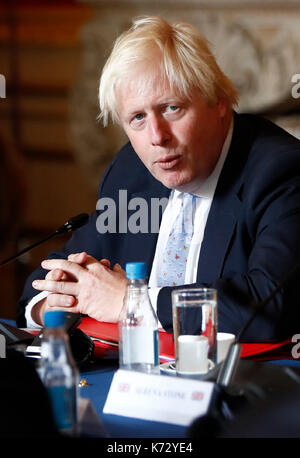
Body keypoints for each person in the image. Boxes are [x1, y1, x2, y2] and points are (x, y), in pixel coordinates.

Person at [17, 16, 300, 342]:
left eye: (171, 108)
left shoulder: (280, 172)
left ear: (218, 101)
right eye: (137, 117)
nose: (157, 137)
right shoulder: (132, 170)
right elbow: (51, 275)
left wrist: (129, 302)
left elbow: (269, 305)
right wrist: (57, 302)